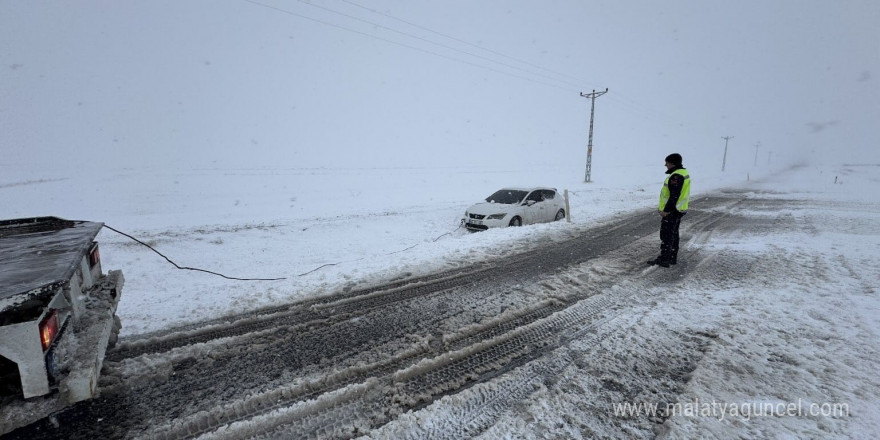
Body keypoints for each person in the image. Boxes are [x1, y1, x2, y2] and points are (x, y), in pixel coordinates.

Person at [647, 153, 690, 268]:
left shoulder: (676, 176)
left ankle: (664, 259)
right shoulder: (683, 173)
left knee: (667, 235)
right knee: (673, 234)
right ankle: (671, 257)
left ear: (673, 163)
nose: (665, 165)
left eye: (667, 162)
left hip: (672, 211)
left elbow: (674, 195)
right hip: (679, 209)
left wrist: (666, 210)